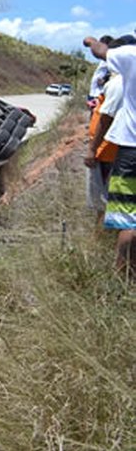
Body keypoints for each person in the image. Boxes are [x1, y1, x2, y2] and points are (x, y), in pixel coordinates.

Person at [85, 34, 136, 278]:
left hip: (128, 151)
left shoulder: (130, 57)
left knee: (128, 219)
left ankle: (121, 279)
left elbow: (99, 50)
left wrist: (90, 40)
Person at [86, 63, 123, 219]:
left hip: (107, 151)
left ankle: (103, 235)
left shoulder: (118, 84)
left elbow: (106, 119)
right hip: (107, 150)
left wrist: (92, 149)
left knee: (104, 201)